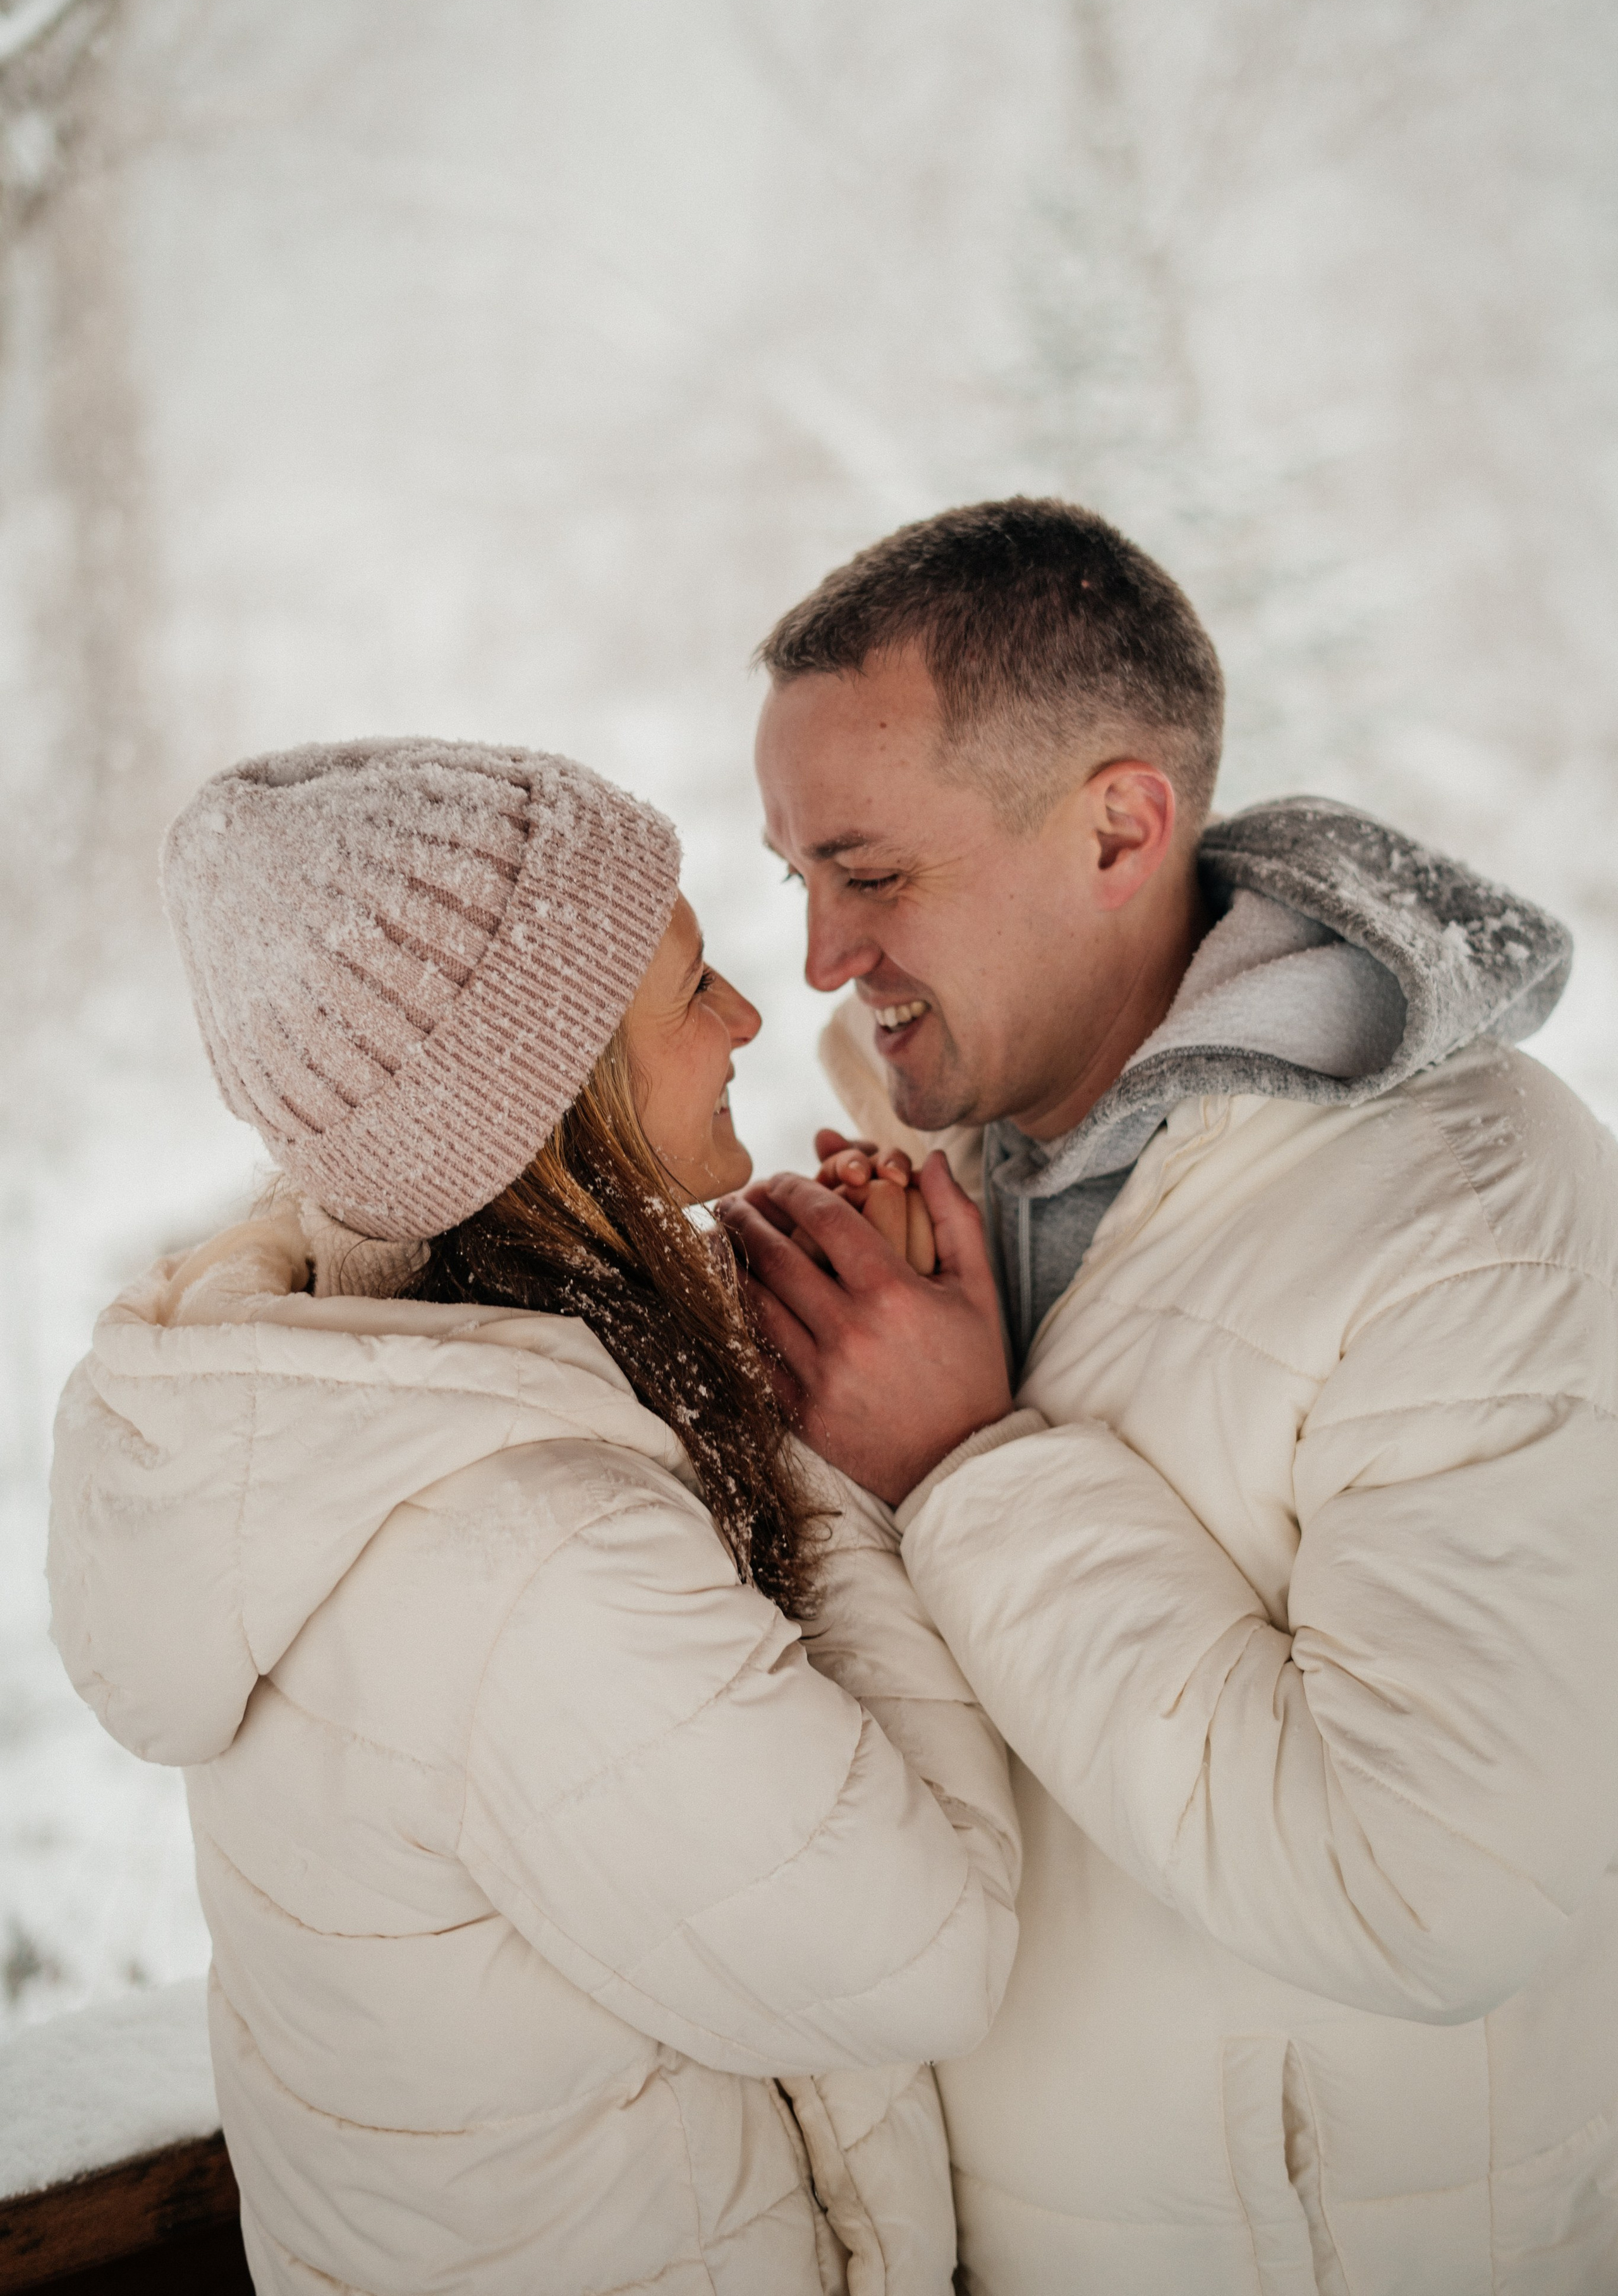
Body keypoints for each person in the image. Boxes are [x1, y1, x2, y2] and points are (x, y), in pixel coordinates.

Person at [721, 498, 1618, 2296]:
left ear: (1120, 825)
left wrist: (969, 1471)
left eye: (872, 874)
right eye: (796, 876)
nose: (819, 955)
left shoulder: (1477, 1216)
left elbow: (1427, 1892)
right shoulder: (909, 1164)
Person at [47, 738, 1020, 2296]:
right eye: (693, 987)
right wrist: (865, 1458)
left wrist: (750, 1371)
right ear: (549, 1103)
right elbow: (928, 1954)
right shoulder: (527, 1549)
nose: (748, 1023)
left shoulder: (340, 1409)